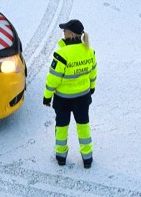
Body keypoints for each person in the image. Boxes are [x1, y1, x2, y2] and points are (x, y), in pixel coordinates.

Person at [43, 19, 97, 168]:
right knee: (83, 127)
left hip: (63, 100)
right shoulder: (89, 51)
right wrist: (91, 88)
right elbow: (93, 73)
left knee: (61, 128)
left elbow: (53, 79)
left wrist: (47, 96)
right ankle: (87, 158)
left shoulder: (61, 54)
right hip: (83, 98)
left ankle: (61, 157)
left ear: (71, 34)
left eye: (65, 30)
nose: (63, 32)